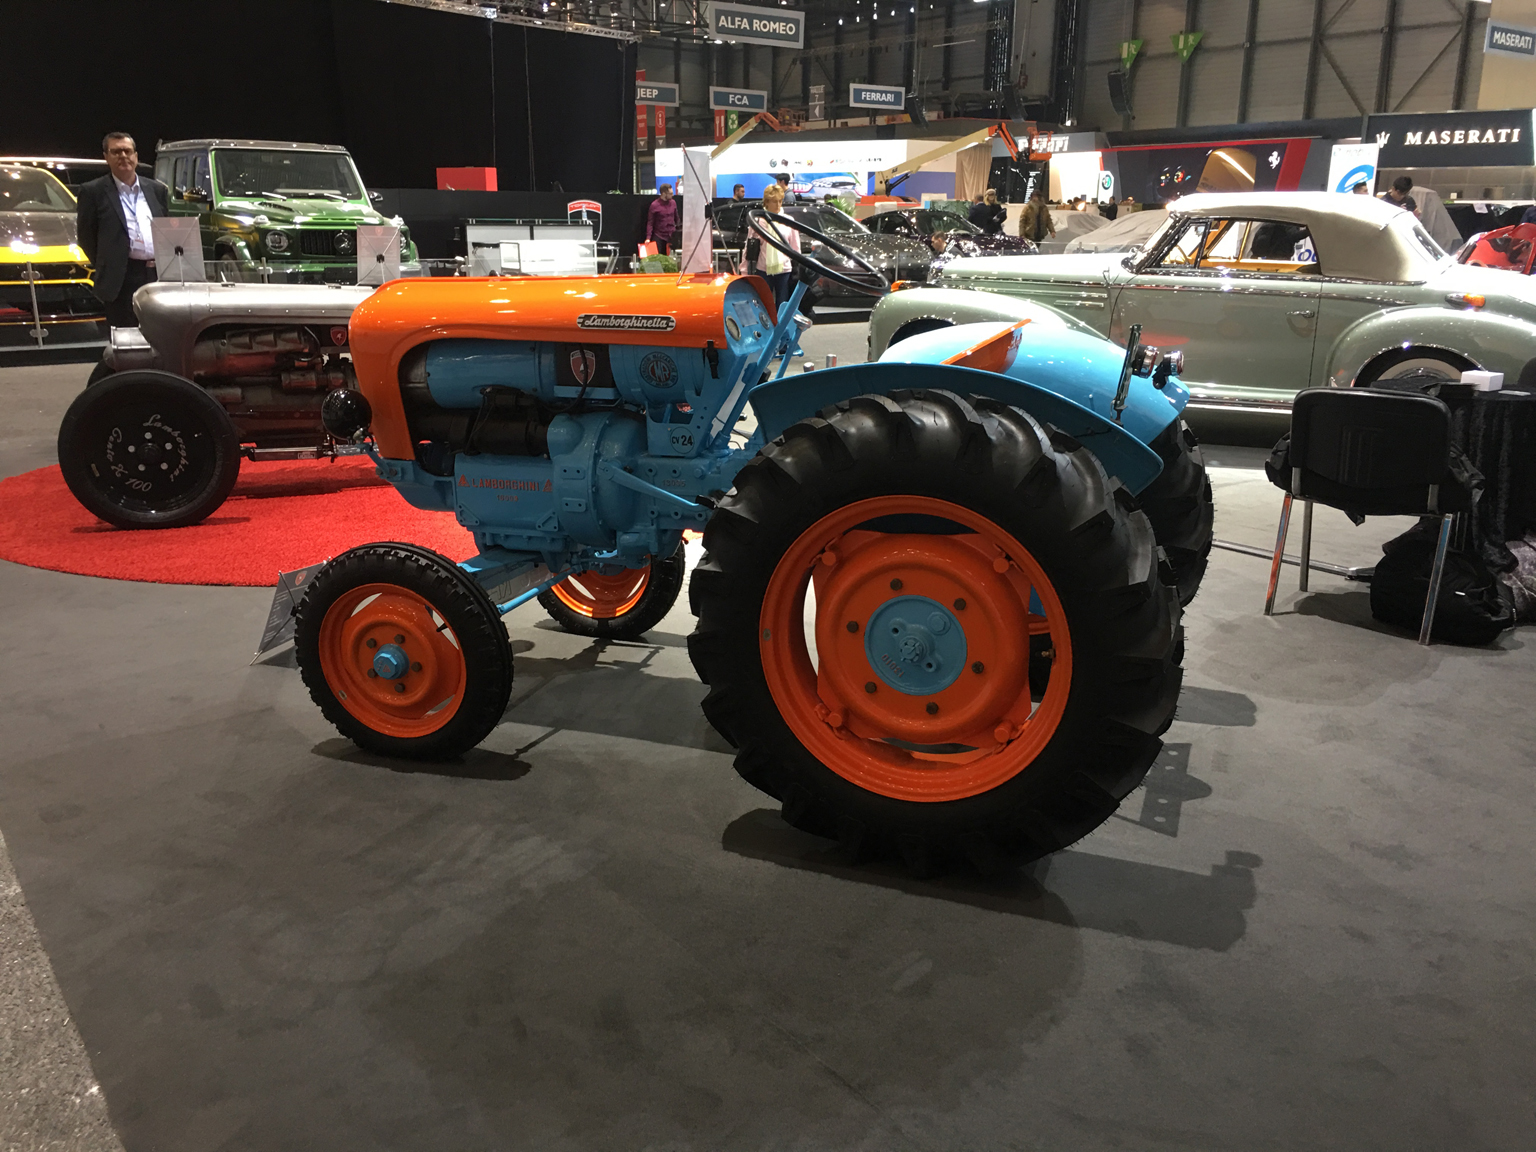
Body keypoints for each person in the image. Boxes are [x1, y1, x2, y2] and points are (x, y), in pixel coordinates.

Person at [76, 132, 169, 329]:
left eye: (127, 151)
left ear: (136, 156)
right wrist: (108, 263)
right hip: (120, 279)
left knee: (158, 334)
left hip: (156, 276)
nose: (123, 156)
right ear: (106, 157)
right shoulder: (93, 192)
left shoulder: (157, 190)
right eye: (116, 152)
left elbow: (165, 230)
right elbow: (86, 237)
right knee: (125, 340)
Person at [743, 182, 805, 355]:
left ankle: (783, 341)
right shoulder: (758, 223)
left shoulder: (788, 222)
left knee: (783, 306)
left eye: (780, 201)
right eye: (774, 201)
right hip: (763, 269)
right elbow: (749, 249)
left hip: (784, 270)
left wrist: (797, 267)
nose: (778, 205)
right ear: (766, 202)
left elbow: (795, 248)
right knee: (763, 306)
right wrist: (744, 270)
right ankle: (764, 341)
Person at [646, 183, 679, 255]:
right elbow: (650, 223)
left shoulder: (673, 203)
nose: (672, 195)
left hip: (671, 235)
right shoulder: (654, 205)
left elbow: (677, 218)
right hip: (659, 235)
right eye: (670, 193)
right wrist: (648, 238)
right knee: (659, 257)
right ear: (663, 194)